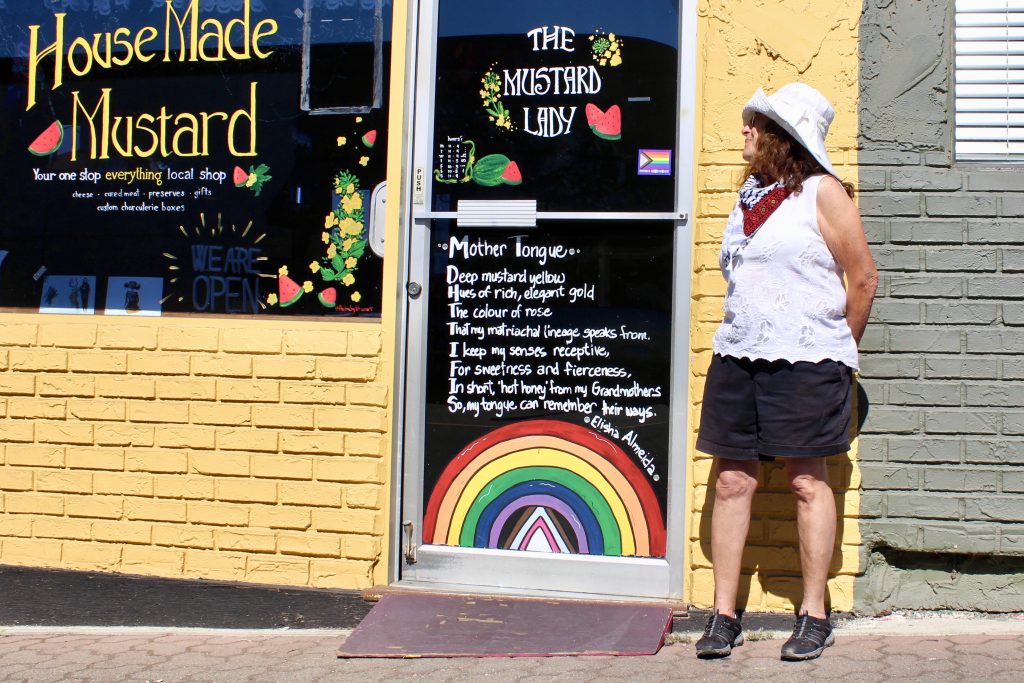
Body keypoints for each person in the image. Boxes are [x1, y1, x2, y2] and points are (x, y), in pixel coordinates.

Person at [693, 83, 878, 662]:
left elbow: (864, 278)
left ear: (782, 136)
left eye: (756, 123)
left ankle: (814, 614)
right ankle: (724, 614)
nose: (744, 130)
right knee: (731, 481)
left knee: (805, 481)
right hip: (739, 355)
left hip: (807, 362)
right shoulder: (749, 195)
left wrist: (833, 349)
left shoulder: (823, 193)